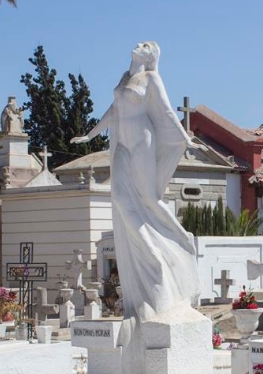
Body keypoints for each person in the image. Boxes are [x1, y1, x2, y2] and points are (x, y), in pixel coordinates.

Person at [70, 42, 204, 323]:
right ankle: (149, 249)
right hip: (121, 144)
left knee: (147, 199)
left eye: (146, 45)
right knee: (119, 198)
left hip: (143, 140)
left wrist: (184, 138)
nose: (139, 45)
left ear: (151, 55)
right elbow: (114, 110)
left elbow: (166, 112)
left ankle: (177, 241)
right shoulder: (124, 78)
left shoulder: (152, 78)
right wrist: (90, 135)